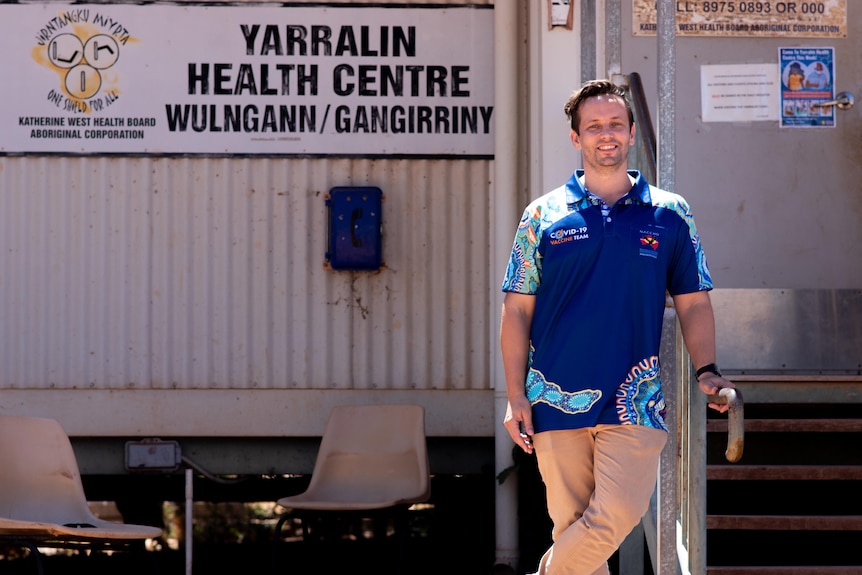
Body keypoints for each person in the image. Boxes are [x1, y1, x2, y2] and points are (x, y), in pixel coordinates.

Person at [499, 79, 736, 575]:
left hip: (637, 399)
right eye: (593, 127)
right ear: (575, 138)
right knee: (574, 533)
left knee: (617, 516)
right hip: (553, 397)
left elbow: (693, 301)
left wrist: (707, 368)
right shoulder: (540, 215)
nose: (604, 134)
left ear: (631, 134)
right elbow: (517, 310)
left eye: (614, 125)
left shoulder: (671, 213)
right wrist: (516, 394)